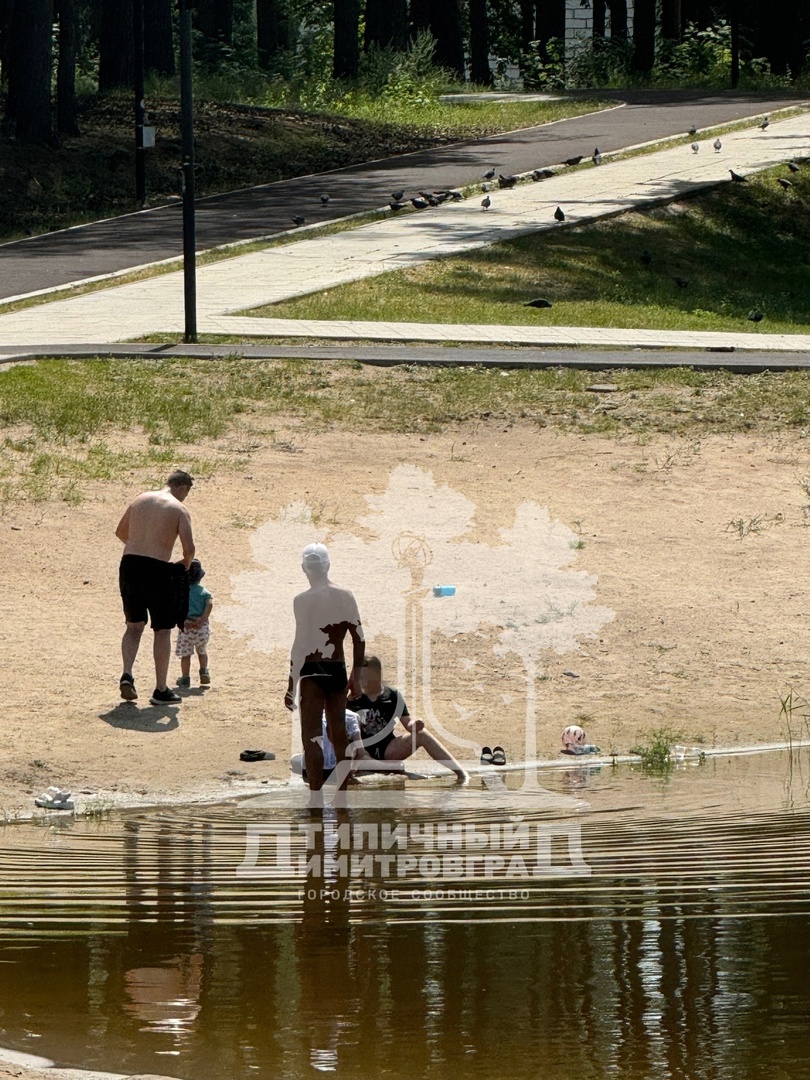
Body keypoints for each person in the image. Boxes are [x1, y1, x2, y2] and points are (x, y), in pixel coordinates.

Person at [284, 543, 365, 800]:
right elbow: (359, 637)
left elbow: (300, 644)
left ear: (304, 569)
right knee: (338, 733)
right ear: (328, 566)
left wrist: (290, 684)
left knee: (312, 735)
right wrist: (356, 676)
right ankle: (341, 794)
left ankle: (316, 796)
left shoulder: (303, 600)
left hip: (312, 670)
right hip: (337, 668)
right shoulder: (345, 595)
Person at [116, 469, 195, 706]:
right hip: (157, 569)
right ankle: (161, 689)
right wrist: (185, 564)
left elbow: (121, 532)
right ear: (183, 488)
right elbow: (189, 548)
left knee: (134, 626)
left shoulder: (140, 498)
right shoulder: (179, 509)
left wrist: (141, 546)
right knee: (162, 630)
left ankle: (127, 673)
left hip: (129, 564)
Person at [348, 655, 468, 783]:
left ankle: (461, 773)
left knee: (422, 734)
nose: (364, 682)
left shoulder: (392, 695)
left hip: (388, 748)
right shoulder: (354, 698)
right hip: (362, 750)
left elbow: (408, 724)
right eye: (361, 678)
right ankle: (385, 767)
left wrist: (415, 724)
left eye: (367, 677)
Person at [176, 559, 213, 688]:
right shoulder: (204, 592)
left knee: (186, 654)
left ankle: (185, 678)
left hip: (186, 627)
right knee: (202, 651)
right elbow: (209, 603)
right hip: (201, 627)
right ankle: (204, 672)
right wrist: (202, 619)